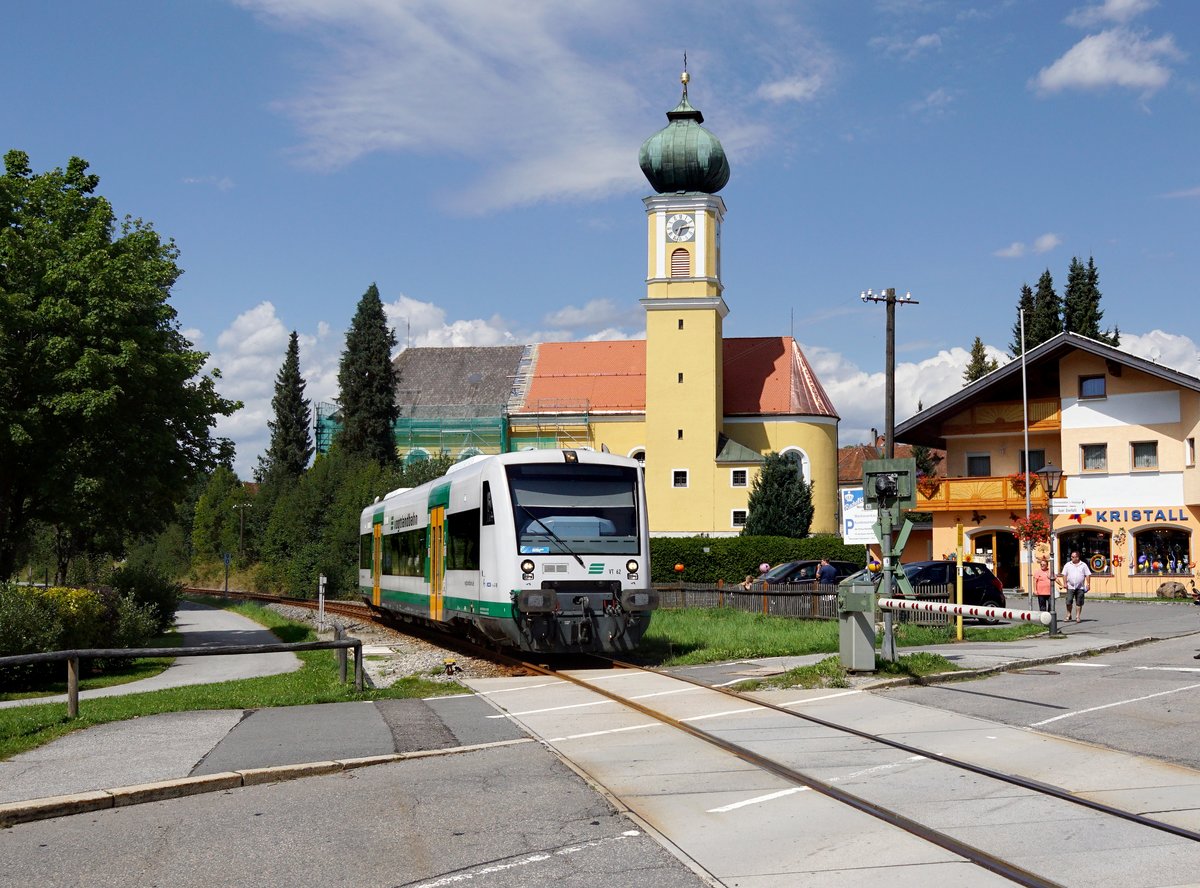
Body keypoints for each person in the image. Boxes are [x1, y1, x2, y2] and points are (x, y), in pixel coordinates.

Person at [1059, 550, 1092, 622]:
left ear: (1077, 557)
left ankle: (1077, 616)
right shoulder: (1068, 565)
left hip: (1080, 587)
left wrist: (1088, 584)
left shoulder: (1083, 565)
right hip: (1070, 586)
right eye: (1071, 557)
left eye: (1073, 557)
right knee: (1069, 601)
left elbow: (1087, 575)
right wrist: (1065, 583)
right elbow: (1064, 574)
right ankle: (1068, 615)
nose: (1072, 558)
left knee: (1079, 602)